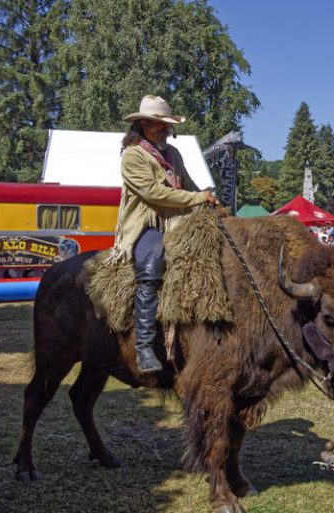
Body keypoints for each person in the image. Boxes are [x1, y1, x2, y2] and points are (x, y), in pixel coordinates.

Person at [110, 95, 218, 373]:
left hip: (181, 222)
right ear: (143, 124)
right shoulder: (133, 155)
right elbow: (154, 193)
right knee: (152, 264)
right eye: (157, 123)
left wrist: (208, 198)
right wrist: (195, 198)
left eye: (165, 124)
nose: (163, 128)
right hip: (148, 225)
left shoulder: (174, 154)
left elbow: (190, 186)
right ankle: (144, 347)